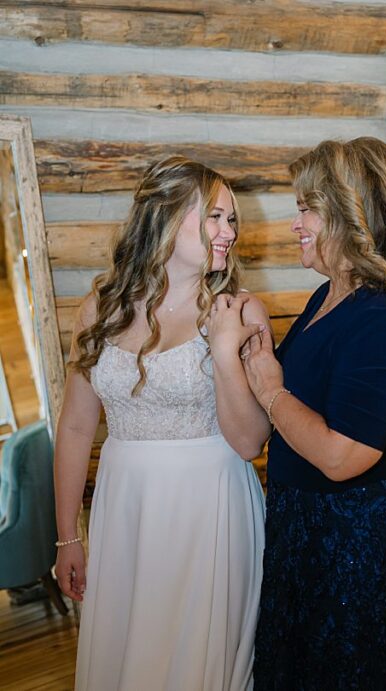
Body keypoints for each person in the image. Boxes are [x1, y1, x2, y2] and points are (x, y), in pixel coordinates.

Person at [234, 138, 386, 689]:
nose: (296, 224)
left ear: (352, 215)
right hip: (311, 533)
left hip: (366, 546)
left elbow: (341, 456)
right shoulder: (329, 296)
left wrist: (270, 391)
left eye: (308, 208)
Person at [53, 157, 269, 690]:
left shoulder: (240, 312)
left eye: (233, 220)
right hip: (126, 505)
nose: (228, 232)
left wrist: (222, 351)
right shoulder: (97, 312)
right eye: (215, 217)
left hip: (209, 505)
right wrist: (66, 538)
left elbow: (251, 442)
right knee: (131, 653)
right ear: (168, 216)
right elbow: (78, 428)